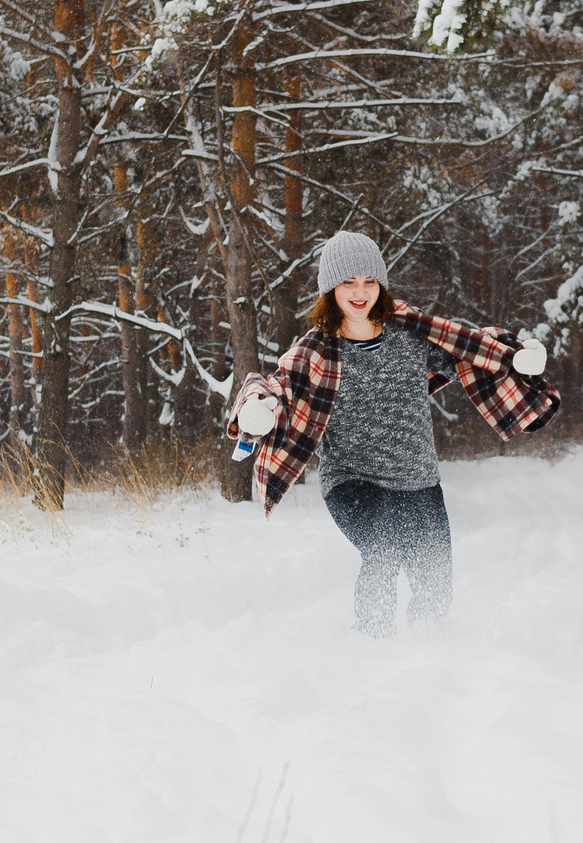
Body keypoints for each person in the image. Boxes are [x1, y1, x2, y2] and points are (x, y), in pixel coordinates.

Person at [227, 230, 559, 636]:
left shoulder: (410, 334)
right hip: (352, 481)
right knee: (382, 550)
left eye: (369, 281)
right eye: (348, 282)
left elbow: (466, 348)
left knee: (435, 585)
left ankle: (426, 657)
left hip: (419, 482)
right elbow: (275, 386)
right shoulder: (316, 349)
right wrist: (256, 408)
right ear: (330, 290)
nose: (359, 291)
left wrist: (513, 353)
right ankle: (370, 641)